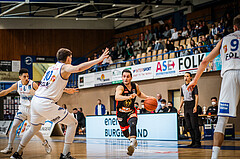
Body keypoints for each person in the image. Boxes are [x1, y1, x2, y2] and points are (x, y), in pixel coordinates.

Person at [10, 48, 109, 159]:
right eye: (71, 57)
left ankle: (17, 153)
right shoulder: (65, 67)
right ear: (68, 58)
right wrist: (99, 60)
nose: (71, 59)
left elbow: (49, 86)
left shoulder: (51, 68)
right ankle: (65, 154)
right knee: (73, 123)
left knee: (33, 129)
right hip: (45, 103)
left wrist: (66, 89)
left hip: (36, 101)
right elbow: (79, 68)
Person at [187, 15, 240, 159]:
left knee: (222, 119)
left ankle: (214, 157)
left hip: (229, 75)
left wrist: (195, 80)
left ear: (234, 27)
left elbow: (204, 61)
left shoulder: (224, 40)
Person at [0, 68, 52, 155]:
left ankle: (45, 142)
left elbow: (42, 94)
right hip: (22, 109)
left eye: (28, 76)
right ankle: (9, 147)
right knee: (13, 126)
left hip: (32, 110)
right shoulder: (17, 84)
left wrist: (34, 93)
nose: (27, 78)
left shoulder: (33, 84)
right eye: (24, 76)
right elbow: (6, 91)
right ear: (20, 77)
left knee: (35, 131)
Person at [115, 69, 152, 156]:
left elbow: (139, 94)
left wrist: (147, 97)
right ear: (122, 78)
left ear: (131, 78)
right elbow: (117, 97)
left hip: (131, 111)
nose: (126, 78)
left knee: (133, 123)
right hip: (121, 113)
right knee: (125, 133)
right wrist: (128, 97)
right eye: (124, 77)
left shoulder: (135, 86)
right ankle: (132, 140)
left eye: (128, 77)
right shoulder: (120, 87)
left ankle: (132, 144)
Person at [178, 72, 201, 148]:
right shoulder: (182, 87)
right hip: (186, 106)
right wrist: (180, 107)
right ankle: (193, 141)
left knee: (194, 125)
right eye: (184, 76)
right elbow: (182, 98)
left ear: (191, 77)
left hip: (192, 104)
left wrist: (195, 106)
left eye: (187, 76)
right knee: (189, 126)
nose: (186, 78)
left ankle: (197, 142)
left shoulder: (194, 85)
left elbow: (196, 96)